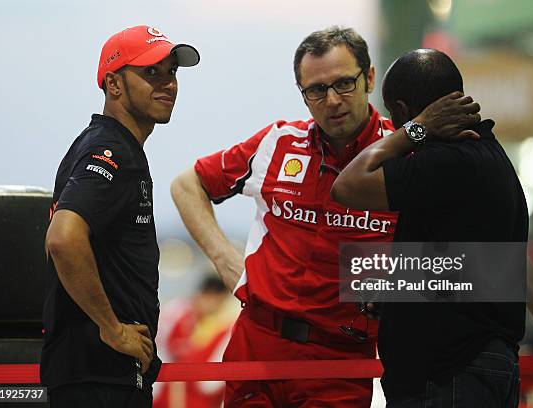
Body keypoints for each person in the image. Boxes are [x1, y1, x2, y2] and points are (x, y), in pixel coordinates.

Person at [171, 27, 481, 407]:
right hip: (257, 343)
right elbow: (187, 185)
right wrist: (225, 260)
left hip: (340, 357)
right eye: (316, 90)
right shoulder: (277, 143)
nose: (332, 100)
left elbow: (470, 255)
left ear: (369, 78)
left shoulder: (408, 155)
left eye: (344, 83)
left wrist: (400, 284)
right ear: (302, 94)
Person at [331, 48, 533, 406]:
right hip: (476, 369)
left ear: (404, 111)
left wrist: (414, 131)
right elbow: (505, 258)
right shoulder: (491, 156)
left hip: (449, 375)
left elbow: (346, 185)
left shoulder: (444, 162)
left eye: (395, 118)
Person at [41, 25, 199, 408]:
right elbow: (62, 238)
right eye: (151, 72)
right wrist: (113, 329)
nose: (168, 83)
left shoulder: (106, 145)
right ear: (114, 85)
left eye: (171, 72)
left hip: (97, 374)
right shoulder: (111, 151)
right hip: (100, 376)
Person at [154, 275, 236, 408]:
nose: (218, 308)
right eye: (219, 302)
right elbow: (167, 350)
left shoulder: (204, 322)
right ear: (211, 296)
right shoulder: (178, 313)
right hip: (163, 383)